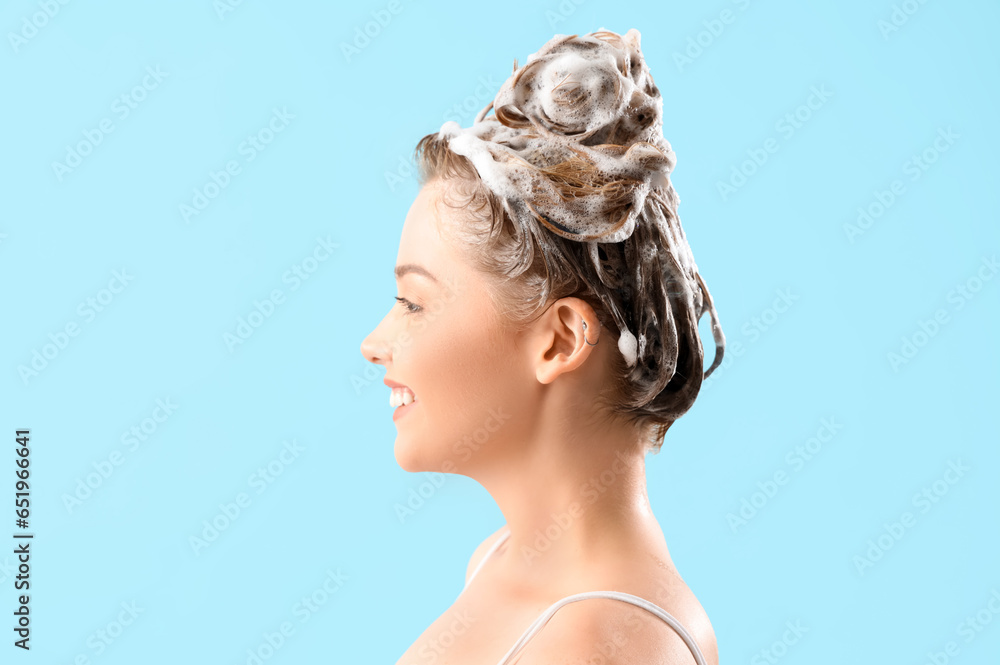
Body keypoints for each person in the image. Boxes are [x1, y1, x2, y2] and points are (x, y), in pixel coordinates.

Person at [361, 27, 724, 665]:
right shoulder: (499, 561)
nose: (374, 344)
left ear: (559, 342)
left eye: (413, 303)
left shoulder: (604, 645)